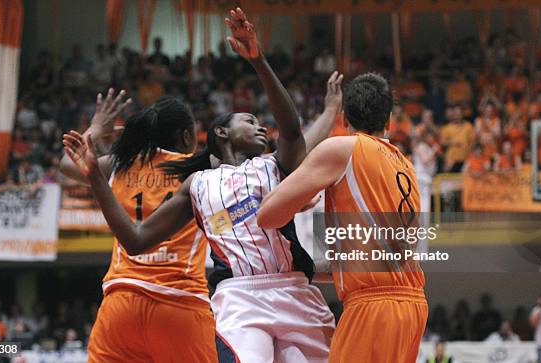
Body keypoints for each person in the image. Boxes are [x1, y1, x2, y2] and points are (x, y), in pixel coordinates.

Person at [63, 8, 341, 363]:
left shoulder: (273, 166)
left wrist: (258, 61)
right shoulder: (196, 182)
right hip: (233, 295)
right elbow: (135, 239)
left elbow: (292, 132)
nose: (260, 127)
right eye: (250, 119)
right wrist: (96, 178)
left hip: (292, 288)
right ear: (220, 132)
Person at [257, 72, 428, 362]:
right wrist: (306, 269)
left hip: (372, 309)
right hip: (411, 306)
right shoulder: (405, 166)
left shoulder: (342, 149)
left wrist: (300, 202)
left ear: (345, 118)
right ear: (388, 120)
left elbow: (267, 215)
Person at [60, 91, 217, 362]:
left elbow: (68, 164)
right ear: (187, 137)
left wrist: (96, 130)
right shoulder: (201, 170)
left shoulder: (120, 164)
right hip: (180, 303)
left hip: (121, 304)